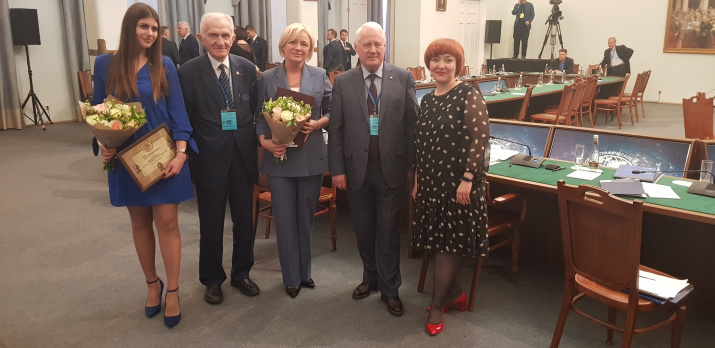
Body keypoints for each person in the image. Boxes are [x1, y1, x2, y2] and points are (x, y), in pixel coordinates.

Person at [93, 2, 194, 328]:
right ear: (129, 28)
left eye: (154, 28)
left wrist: (181, 154)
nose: (151, 33)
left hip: (164, 157)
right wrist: (103, 144)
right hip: (127, 160)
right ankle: (153, 284)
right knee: (139, 223)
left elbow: (179, 113)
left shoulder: (164, 64)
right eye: (144, 27)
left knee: (167, 222)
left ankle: (174, 291)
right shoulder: (105, 64)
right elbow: (99, 113)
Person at [328, 22, 419, 317]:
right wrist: (337, 169)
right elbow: (337, 129)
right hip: (356, 170)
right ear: (356, 48)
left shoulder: (403, 78)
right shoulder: (343, 82)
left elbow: (412, 125)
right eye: (367, 44)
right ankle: (370, 277)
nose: (373, 50)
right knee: (364, 230)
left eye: (378, 44)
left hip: (392, 169)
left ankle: (390, 290)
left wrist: (414, 168)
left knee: (389, 231)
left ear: (385, 46)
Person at [177, 12, 260, 305]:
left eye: (226, 35)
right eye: (213, 35)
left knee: (244, 222)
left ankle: (242, 273)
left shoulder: (247, 68)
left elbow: (257, 110)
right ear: (201, 38)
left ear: (233, 37)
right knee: (211, 224)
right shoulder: (187, 72)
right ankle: (212, 279)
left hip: (243, 157)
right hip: (209, 157)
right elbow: (183, 118)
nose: (221, 41)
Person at [411, 38, 490, 336]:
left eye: (448, 60)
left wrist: (468, 179)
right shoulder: (428, 98)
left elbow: (479, 139)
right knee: (441, 242)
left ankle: (435, 304)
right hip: (431, 183)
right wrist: (418, 180)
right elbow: (421, 143)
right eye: (435, 60)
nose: (440, 65)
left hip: (458, 185)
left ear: (458, 65)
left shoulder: (468, 94)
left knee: (447, 245)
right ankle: (455, 293)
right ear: (428, 65)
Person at [255, 23, 332, 299]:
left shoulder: (320, 74)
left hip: (310, 158)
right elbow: (257, 118)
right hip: (279, 160)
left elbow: (333, 111)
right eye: (293, 43)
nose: (299, 48)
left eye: (304, 44)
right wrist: (265, 143)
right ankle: (290, 277)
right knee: (285, 221)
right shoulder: (267, 77)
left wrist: (318, 123)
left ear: (310, 49)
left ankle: (305, 272)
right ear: (283, 47)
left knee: (305, 220)